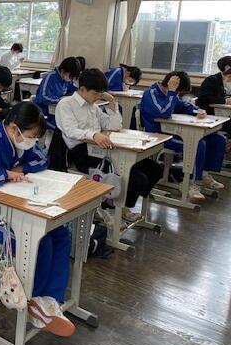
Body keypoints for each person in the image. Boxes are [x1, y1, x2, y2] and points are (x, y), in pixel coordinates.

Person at [0, 102, 75, 337]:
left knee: (60, 233)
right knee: (33, 240)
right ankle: (33, 300)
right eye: (31, 137)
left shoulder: (20, 141)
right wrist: (7, 174)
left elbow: (42, 160)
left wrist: (20, 168)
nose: (32, 142)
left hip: (11, 204)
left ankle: (49, 299)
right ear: (14, 128)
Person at [55, 69, 163, 222]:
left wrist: (112, 102)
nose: (98, 97)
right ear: (82, 89)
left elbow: (115, 125)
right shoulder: (66, 104)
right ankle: (114, 208)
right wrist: (94, 135)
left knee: (155, 169)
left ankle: (116, 204)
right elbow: (70, 131)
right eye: (96, 93)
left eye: (101, 94)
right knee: (137, 178)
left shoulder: (93, 106)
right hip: (82, 153)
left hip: (102, 150)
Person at [140, 71, 226, 203]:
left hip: (175, 132)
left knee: (217, 139)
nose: (178, 94)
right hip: (158, 136)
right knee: (198, 144)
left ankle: (203, 173)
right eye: (179, 92)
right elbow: (164, 113)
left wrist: (197, 111)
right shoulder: (151, 93)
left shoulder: (172, 94)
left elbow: (183, 105)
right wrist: (172, 92)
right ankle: (193, 183)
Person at [34, 57, 82, 127]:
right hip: (44, 113)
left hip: (58, 111)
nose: (71, 80)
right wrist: (60, 99)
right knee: (63, 128)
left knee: (74, 123)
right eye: (70, 77)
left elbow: (73, 90)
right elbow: (43, 97)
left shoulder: (66, 79)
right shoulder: (51, 77)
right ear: (63, 71)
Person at [197, 56, 231, 134]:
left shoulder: (227, 81)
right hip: (210, 114)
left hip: (224, 113)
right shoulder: (211, 80)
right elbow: (205, 99)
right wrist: (225, 101)